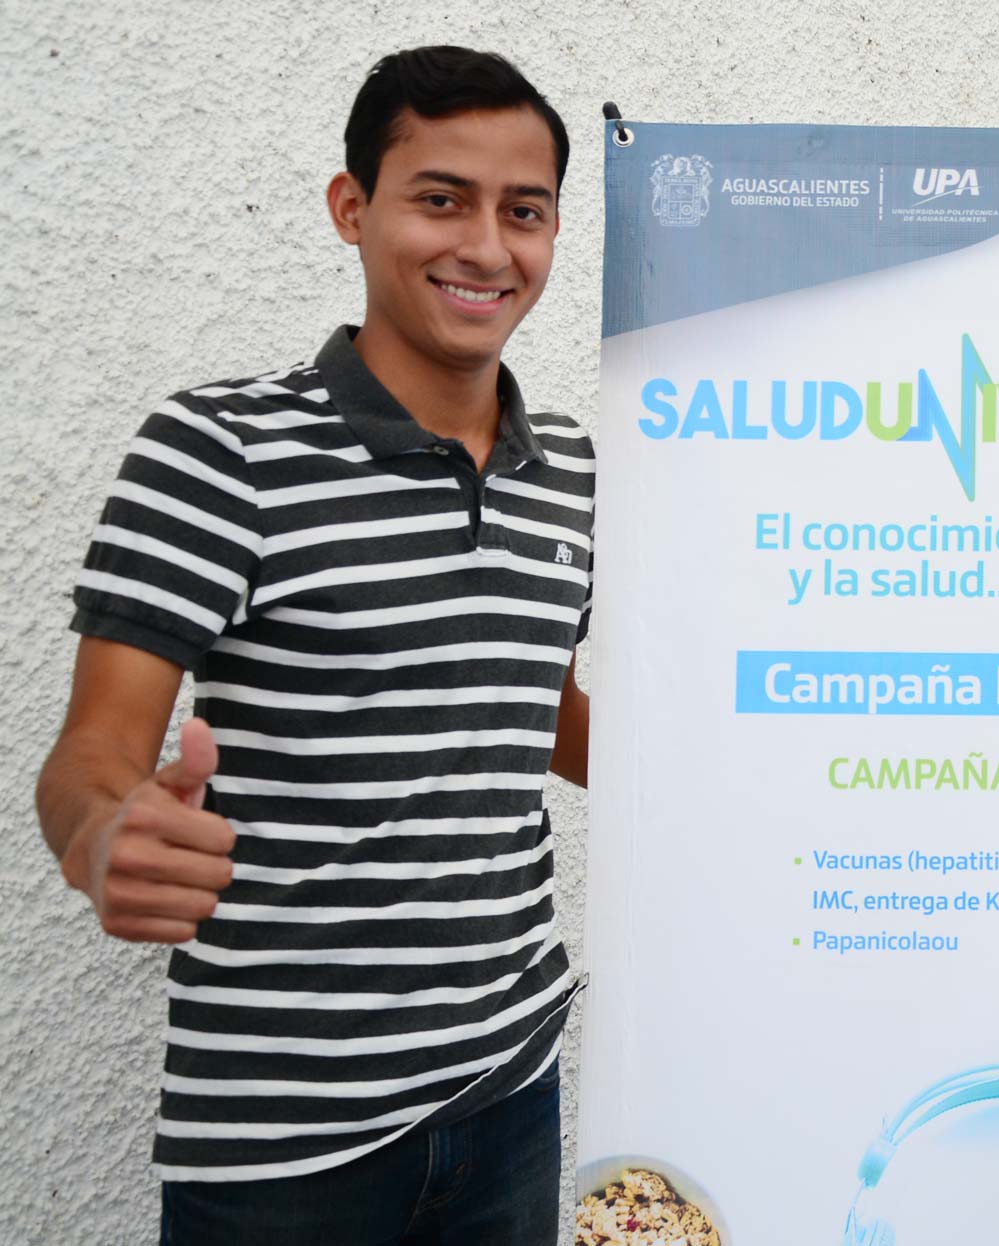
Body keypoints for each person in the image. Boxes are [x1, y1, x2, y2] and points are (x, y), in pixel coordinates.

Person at [35, 46, 591, 1244]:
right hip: (283, 1142)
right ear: (353, 207)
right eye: (440, 198)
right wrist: (103, 836)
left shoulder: (574, 473)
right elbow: (92, 755)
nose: (485, 246)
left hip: (510, 1088)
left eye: (524, 211)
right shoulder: (218, 450)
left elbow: (528, 701)